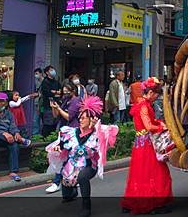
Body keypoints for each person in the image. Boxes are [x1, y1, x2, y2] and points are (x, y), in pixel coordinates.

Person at [46, 96, 118, 217]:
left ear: (91, 120)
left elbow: (108, 141)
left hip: (89, 166)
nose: (80, 120)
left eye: (84, 118)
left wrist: (97, 127)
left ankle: (86, 206)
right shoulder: (71, 132)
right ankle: (71, 193)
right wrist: (58, 147)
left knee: (83, 177)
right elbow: (62, 144)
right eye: (80, 118)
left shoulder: (97, 133)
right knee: (67, 194)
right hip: (72, 166)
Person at [121, 77, 172, 214]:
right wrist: (162, 127)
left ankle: (135, 201)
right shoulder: (144, 106)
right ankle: (154, 202)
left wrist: (158, 122)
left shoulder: (139, 103)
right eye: (156, 95)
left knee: (139, 174)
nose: (156, 97)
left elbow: (148, 122)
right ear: (150, 93)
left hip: (139, 143)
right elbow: (149, 126)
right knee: (157, 172)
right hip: (147, 144)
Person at [0, 92, 32, 181]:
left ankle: (14, 171)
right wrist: (4, 133)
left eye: (1, 101)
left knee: (13, 144)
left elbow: (13, 126)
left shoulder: (9, 114)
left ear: (5, 102)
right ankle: (21, 140)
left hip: (6, 139)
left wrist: (16, 133)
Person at [45, 84, 83, 194]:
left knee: (66, 158)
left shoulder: (76, 101)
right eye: (64, 91)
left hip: (73, 133)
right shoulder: (65, 100)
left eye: (67, 91)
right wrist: (54, 108)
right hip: (63, 132)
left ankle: (57, 182)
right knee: (63, 157)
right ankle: (71, 179)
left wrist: (59, 109)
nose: (65, 93)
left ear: (73, 91)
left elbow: (68, 116)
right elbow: (56, 116)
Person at [39, 65, 62, 137]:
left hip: (57, 105)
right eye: (51, 70)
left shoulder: (56, 82)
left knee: (55, 124)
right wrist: (55, 92)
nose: (53, 71)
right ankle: (44, 141)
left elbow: (60, 92)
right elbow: (47, 93)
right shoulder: (45, 82)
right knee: (47, 124)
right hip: (48, 106)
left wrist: (54, 92)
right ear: (47, 72)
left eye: (53, 69)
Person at [33, 68, 44, 135]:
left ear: (41, 73)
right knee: (35, 119)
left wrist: (38, 94)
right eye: (35, 74)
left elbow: (44, 93)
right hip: (36, 103)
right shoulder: (36, 82)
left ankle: (41, 134)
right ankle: (36, 134)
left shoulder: (45, 82)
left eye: (37, 73)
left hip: (42, 104)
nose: (35, 75)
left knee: (42, 119)